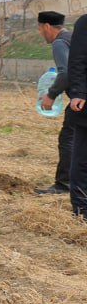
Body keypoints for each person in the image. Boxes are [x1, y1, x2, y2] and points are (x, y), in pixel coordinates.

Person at [34, 11, 71, 195]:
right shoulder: (73, 38)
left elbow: (65, 73)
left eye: (40, 29)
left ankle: (64, 185)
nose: (41, 33)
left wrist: (51, 94)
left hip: (82, 99)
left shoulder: (59, 43)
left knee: (68, 139)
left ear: (46, 26)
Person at [64, 14, 87, 217]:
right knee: (83, 159)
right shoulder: (85, 23)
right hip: (85, 103)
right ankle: (81, 210)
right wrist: (79, 92)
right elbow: (77, 61)